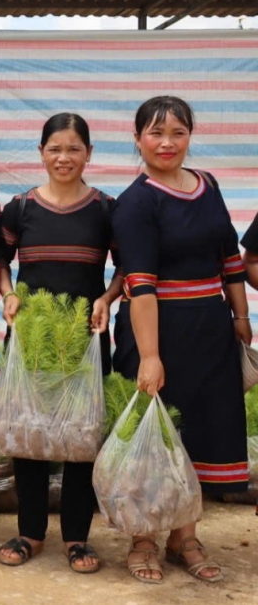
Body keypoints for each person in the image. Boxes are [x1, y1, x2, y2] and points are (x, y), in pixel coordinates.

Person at [111, 96, 248, 584]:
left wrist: (241, 318)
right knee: (155, 437)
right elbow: (141, 284)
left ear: (190, 136)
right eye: (155, 133)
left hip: (209, 328)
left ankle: (184, 536)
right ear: (137, 139)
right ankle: (143, 538)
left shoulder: (206, 185)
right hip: (156, 328)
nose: (167, 143)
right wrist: (150, 356)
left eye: (177, 133)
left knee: (202, 432)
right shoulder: (135, 202)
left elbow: (229, 256)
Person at [0, 113, 122, 572]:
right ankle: (30, 531)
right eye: (54, 149)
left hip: (86, 340)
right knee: (30, 431)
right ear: (41, 153)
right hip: (31, 339)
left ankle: (76, 537)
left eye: (73, 149)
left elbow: (128, 267)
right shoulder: (22, 208)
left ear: (89, 153)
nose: (63, 158)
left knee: (80, 433)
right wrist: (9, 296)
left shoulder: (106, 209)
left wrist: (108, 298)